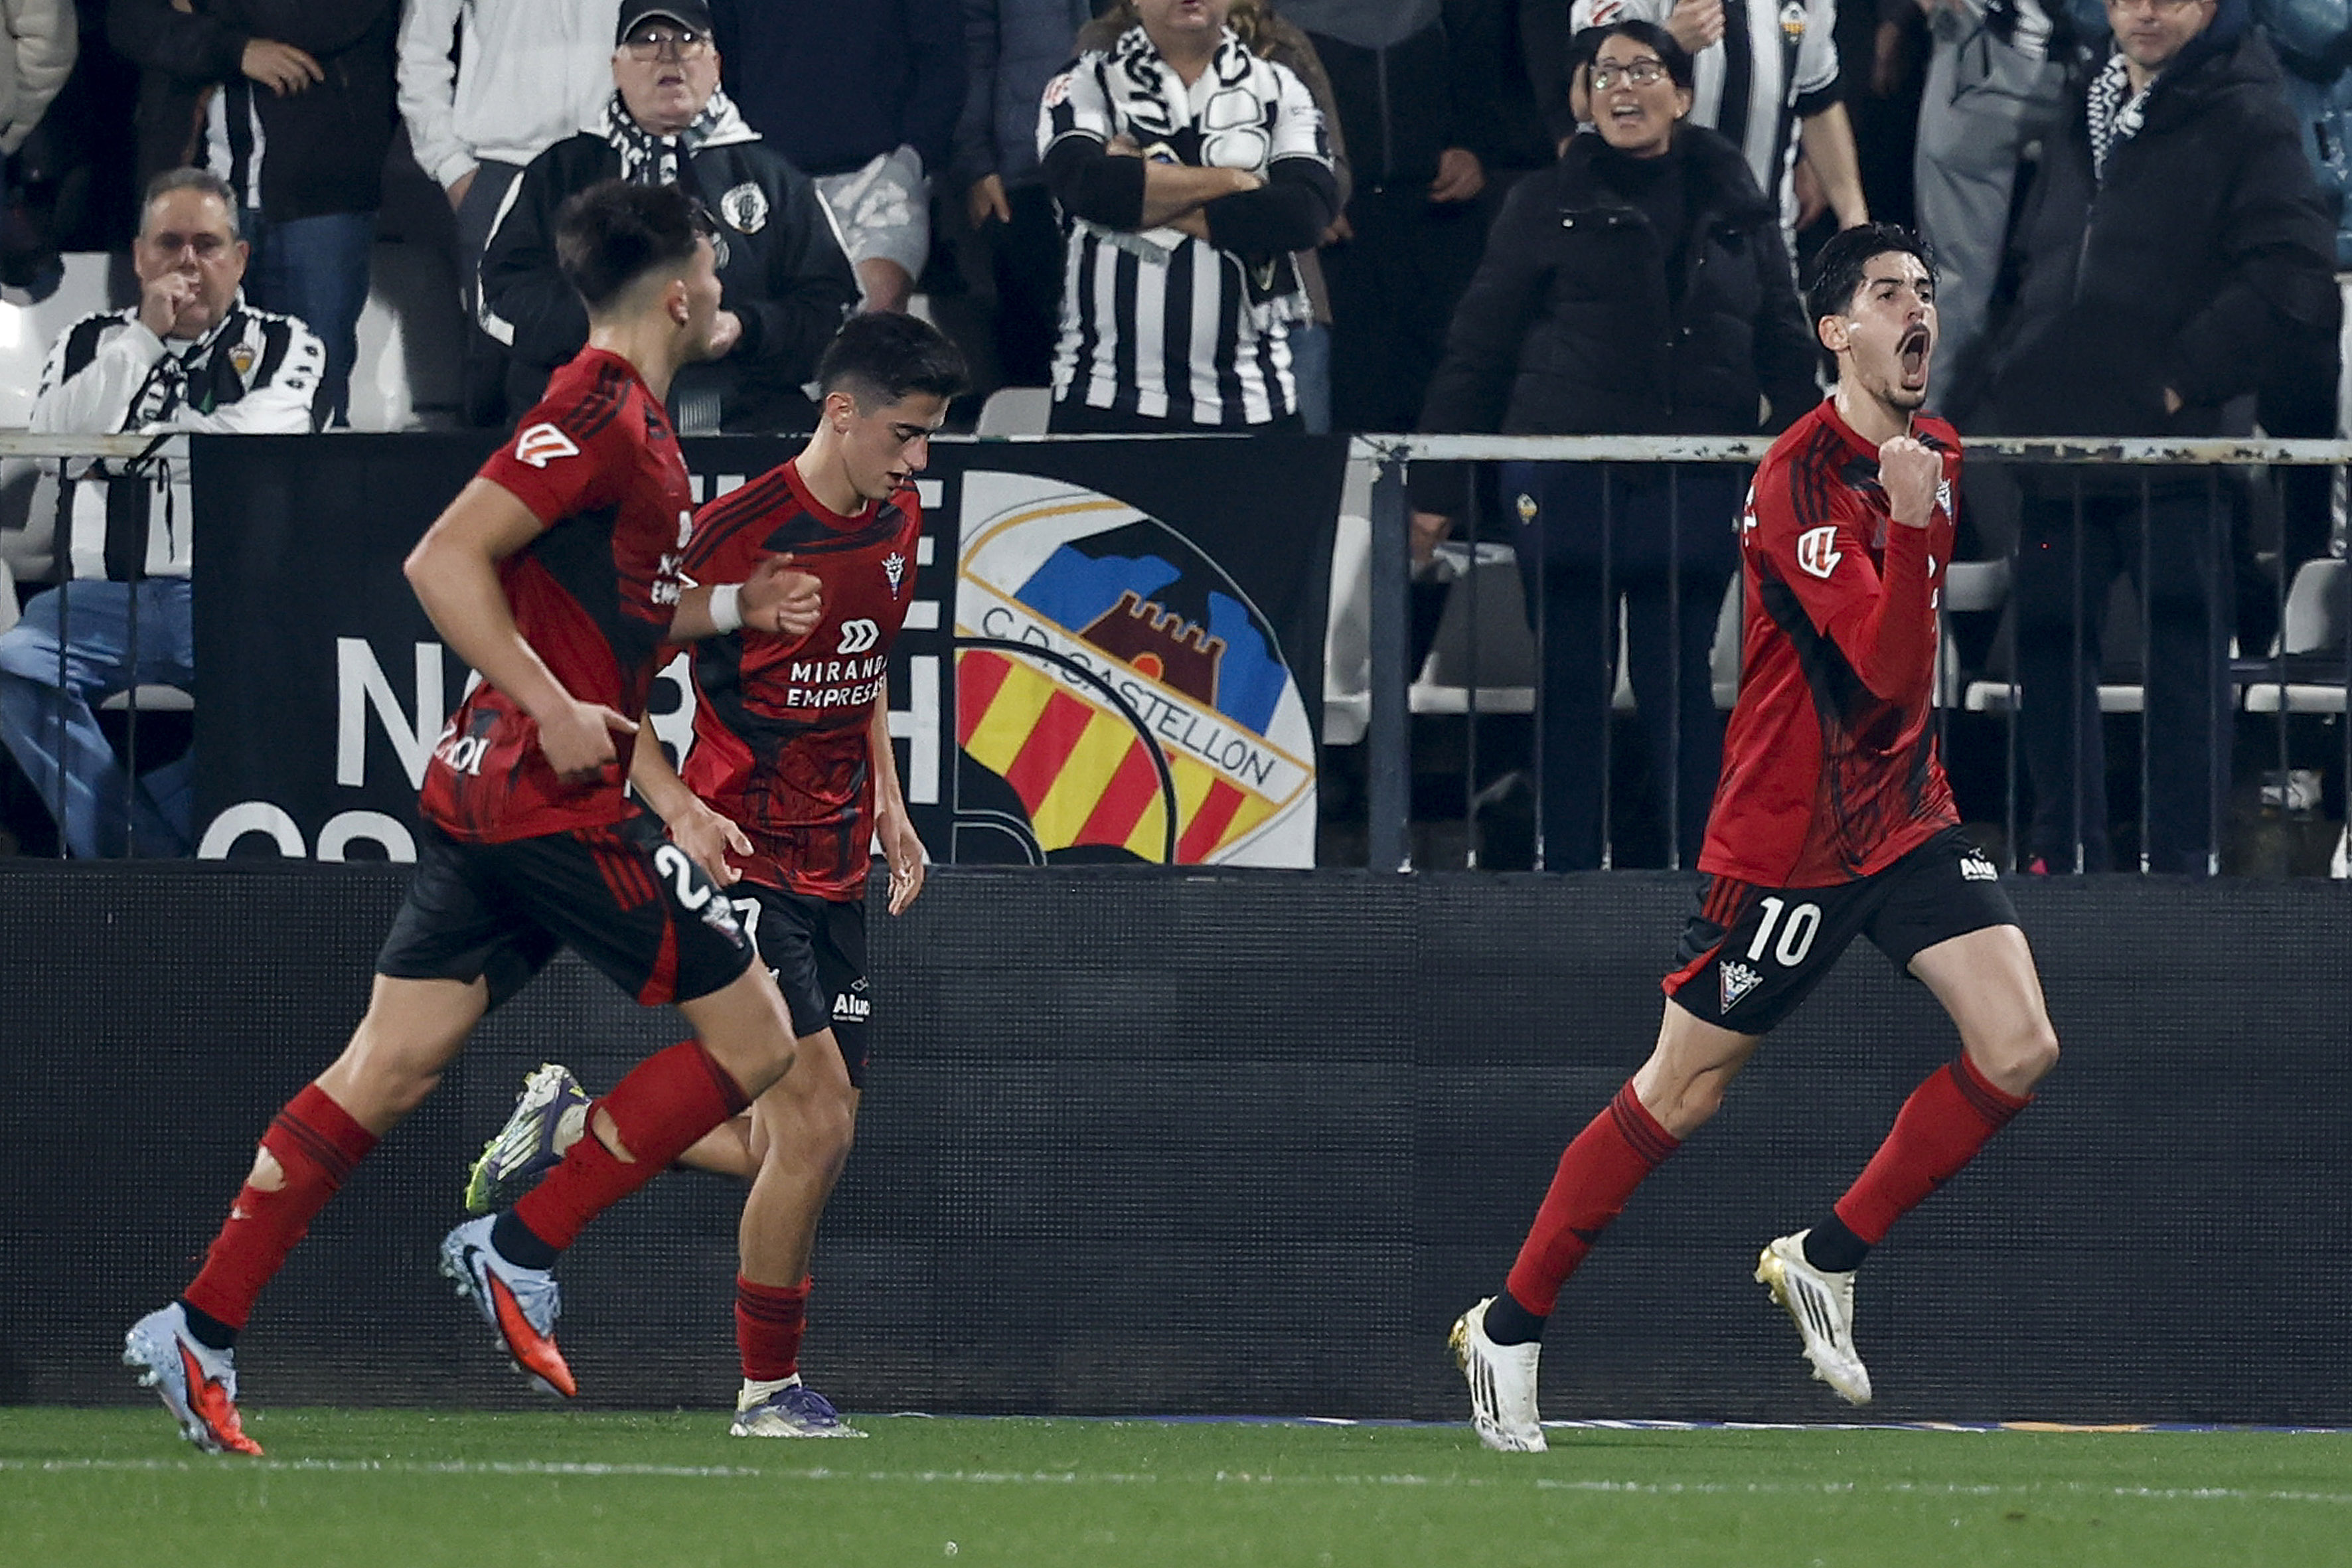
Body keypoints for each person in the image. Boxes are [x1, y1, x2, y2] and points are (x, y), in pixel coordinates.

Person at [121, 180, 823, 1457]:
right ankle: (519, 1238)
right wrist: (552, 703)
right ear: (678, 292)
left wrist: (725, 614)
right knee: (760, 1040)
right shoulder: (594, 406)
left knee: (385, 1068)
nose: (724, 286)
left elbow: (610, 612)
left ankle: (200, 1326)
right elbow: (443, 557)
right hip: (544, 801)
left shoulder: (639, 424)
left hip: (490, 796)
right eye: (715, 267)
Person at [1450, 225, 2063, 1452]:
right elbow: (1887, 674)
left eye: (1925, 294)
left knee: (2019, 1043)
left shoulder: (1934, 445)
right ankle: (1506, 1327)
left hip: (1905, 817)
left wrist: (1910, 506)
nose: (1915, 313)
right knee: (1681, 1091)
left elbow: (1911, 684)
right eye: (1886, 295)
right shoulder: (1799, 478)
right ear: (1834, 331)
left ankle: (1823, 1257)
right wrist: (1898, 520)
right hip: (1787, 844)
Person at [464, 310, 964, 1439]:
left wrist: (886, 792)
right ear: (841, 413)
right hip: (743, 852)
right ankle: (765, 1390)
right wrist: (677, 804)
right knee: (820, 1121)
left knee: (792, 1140)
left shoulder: (899, 515)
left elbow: (865, 656)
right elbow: (611, 676)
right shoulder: (735, 532)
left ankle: (571, 1122)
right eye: (906, 434)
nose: (918, 459)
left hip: (838, 861)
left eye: (929, 439)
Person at [1413, 22, 1819, 868]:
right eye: (1604, 75)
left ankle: (1707, 879)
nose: (1622, 89)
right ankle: (1565, 871)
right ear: (1582, 98)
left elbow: (1783, 340)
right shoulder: (1541, 201)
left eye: (1643, 71)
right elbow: (1477, 351)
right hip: (1566, 475)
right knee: (1571, 677)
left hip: (1695, 476)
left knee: (1681, 678)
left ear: (1681, 93)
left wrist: (1805, 465)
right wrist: (1437, 486)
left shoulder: (1739, 205)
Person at [1974, 0, 2335, 874]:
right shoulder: (2083, 97)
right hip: (2060, 445)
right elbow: (2044, 256)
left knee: (2183, 669)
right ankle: (2060, 869)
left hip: (2177, 454)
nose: (2141, 7)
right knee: (2051, 655)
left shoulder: (2246, 112)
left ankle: (2184, 878)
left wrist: (2176, 379)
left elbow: (2294, 278)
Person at [0, 169, 321, 860]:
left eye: (207, 245)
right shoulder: (89, 340)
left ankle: (139, 844)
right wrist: (143, 337)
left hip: (237, 601)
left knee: (308, 680)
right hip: (103, 601)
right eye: (169, 244)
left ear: (239, 258)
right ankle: (145, 856)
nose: (187, 263)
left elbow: (262, 441)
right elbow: (57, 441)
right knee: (11, 663)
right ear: (141, 256)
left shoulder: (288, 342)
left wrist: (117, 449)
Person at [479, 0, 860, 433]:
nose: (668, 55)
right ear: (616, 67)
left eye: (687, 40)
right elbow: (499, 298)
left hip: (741, 420)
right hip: (583, 416)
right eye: (647, 41)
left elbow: (833, 308)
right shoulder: (559, 172)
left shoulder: (774, 179)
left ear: (715, 64)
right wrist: (612, 327)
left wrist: (743, 328)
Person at [1038, 0, 1340, 431]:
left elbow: (1302, 213)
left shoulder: (1282, 86)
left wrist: (1144, 190)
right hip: (1103, 395)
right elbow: (1085, 187)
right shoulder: (1084, 80)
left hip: (1253, 401)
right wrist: (1237, 182)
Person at [108, 0, 400, 428]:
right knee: (183, 390)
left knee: (310, 392)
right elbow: (130, 21)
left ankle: (312, 497)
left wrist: (198, 17)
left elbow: (312, 19)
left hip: (319, 195)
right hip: (196, 196)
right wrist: (236, 49)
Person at [396, 0, 621, 425]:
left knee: (617, 355)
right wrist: (451, 167)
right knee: (495, 366)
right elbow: (420, 47)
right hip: (501, 171)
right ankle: (494, 488)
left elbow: (677, 24)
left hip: (611, 166)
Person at [1529, 0, 1870, 240]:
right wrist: (1665, 45)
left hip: (1759, 241)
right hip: (1637, 236)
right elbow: (1583, 100)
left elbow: (1818, 100)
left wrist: (1854, 218)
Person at [710, 0, 962, 315]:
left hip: (879, 172)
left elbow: (944, 55)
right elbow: (720, 64)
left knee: (877, 309)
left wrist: (914, 157)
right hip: (770, 182)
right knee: (781, 329)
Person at [953, 0, 1093, 388]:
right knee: (1028, 337)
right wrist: (978, 162)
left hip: (1140, 168)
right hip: (1026, 168)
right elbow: (974, 50)